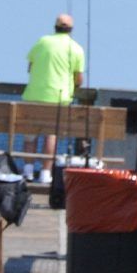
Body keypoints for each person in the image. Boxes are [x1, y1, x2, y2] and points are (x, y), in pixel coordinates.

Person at [23, 14, 86, 178]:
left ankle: (28, 171)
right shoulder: (76, 48)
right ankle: (45, 173)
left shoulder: (42, 42)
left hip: (34, 95)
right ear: (71, 29)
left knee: (31, 135)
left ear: (55, 27)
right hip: (59, 98)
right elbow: (79, 79)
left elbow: (30, 67)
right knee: (51, 135)